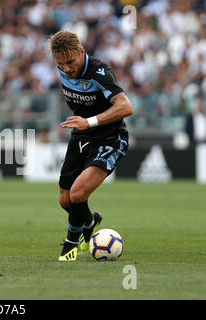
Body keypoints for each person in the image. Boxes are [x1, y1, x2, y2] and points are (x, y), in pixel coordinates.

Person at [48, 30, 133, 261]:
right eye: (61, 64)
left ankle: (70, 245)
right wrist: (83, 124)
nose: (66, 68)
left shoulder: (99, 71)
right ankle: (90, 221)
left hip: (110, 139)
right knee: (65, 199)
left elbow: (126, 107)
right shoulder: (62, 67)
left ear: (82, 52)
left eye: (70, 62)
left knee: (78, 193)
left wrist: (89, 121)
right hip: (81, 137)